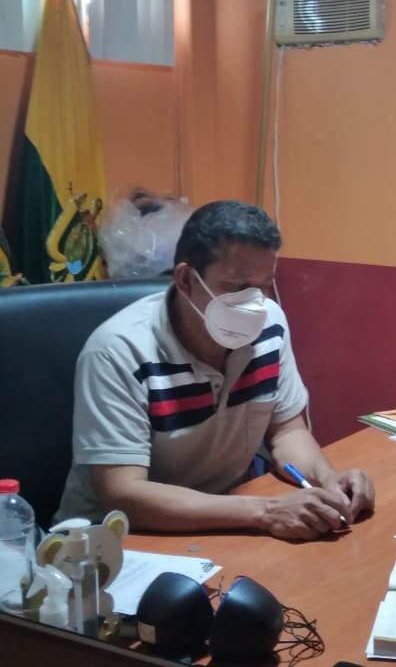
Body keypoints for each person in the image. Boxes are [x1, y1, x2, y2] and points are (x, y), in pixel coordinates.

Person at [55, 201, 374, 539]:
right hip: (114, 541)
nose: (254, 303)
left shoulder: (270, 325)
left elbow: (286, 432)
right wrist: (266, 511)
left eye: (264, 285)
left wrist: (327, 479)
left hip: (226, 520)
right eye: (237, 287)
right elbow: (123, 494)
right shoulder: (118, 350)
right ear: (186, 280)